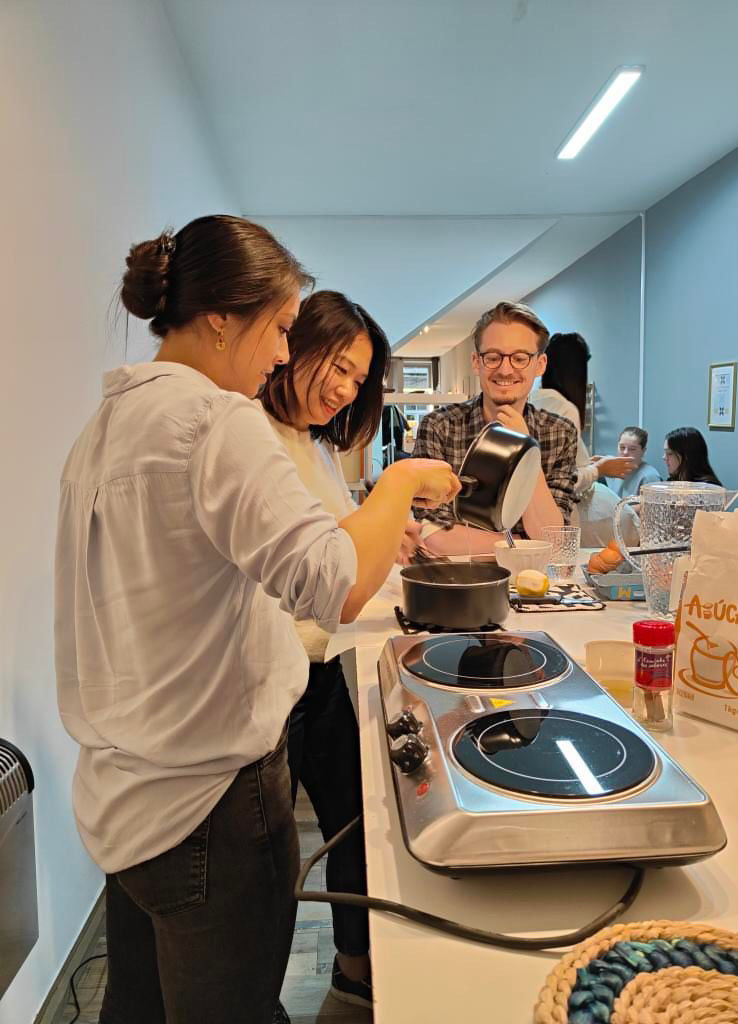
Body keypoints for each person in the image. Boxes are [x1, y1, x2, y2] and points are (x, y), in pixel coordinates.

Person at [54, 215, 459, 1024]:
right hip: (210, 797)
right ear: (219, 316)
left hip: (122, 790)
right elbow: (333, 584)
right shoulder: (215, 421)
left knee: (137, 1007)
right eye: (278, 326)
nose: (282, 351)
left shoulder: (103, 427)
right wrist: (402, 476)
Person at [261, 290, 392, 1009]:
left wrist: (384, 533)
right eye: (336, 366)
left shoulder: (315, 446)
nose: (343, 388)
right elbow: (328, 586)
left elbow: (342, 550)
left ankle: (354, 968)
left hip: (324, 670)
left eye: (356, 378)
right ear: (290, 345)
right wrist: (396, 492)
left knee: (356, 826)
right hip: (276, 682)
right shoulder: (252, 439)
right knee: (267, 861)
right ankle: (257, 994)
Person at [411, 302, 578, 554]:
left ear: (540, 364)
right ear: (476, 362)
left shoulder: (559, 432)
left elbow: (553, 540)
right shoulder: (440, 426)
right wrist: (523, 544)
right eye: (493, 357)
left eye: (520, 358)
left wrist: (526, 448)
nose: (505, 369)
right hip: (458, 582)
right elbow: (434, 535)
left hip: (529, 583)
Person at [531, 332, 637, 544]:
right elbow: (566, 481)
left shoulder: (532, 400)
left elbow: (549, 466)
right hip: (561, 516)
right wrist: (600, 469)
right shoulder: (564, 409)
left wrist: (588, 463)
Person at [607, 426, 662, 498]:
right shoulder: (614, 470)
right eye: (622, 447)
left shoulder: (649, 477)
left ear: (643, 451)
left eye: (632, 449)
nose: (625, 452)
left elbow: (651, 507)